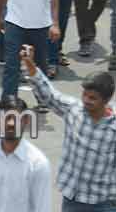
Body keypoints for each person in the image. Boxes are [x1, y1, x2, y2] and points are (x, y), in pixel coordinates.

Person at [22, 45, 116, 211]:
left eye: (92, 98)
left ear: (106, 100)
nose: (86, 100)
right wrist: (30, 65)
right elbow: (49, 95)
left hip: (103, 202)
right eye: (84, 95)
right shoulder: (74, 110)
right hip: (72, 200)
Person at [0, 95, 52, 212]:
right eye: (6, 117)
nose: (11, 123)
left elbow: (42, 207)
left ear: (26, 120)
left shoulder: (38, 163)